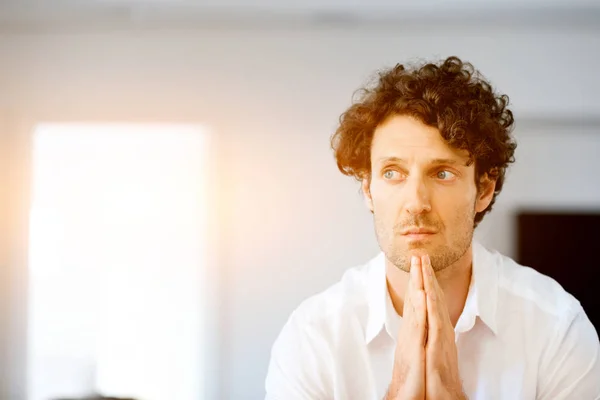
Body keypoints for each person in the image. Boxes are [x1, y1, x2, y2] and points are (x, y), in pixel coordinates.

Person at [264, 56, 600, 399]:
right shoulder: (313, 338)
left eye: (442, 173)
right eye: (392, 173)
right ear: (368, 189)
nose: (416, 202)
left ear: (483, 189)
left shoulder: (557, 328)